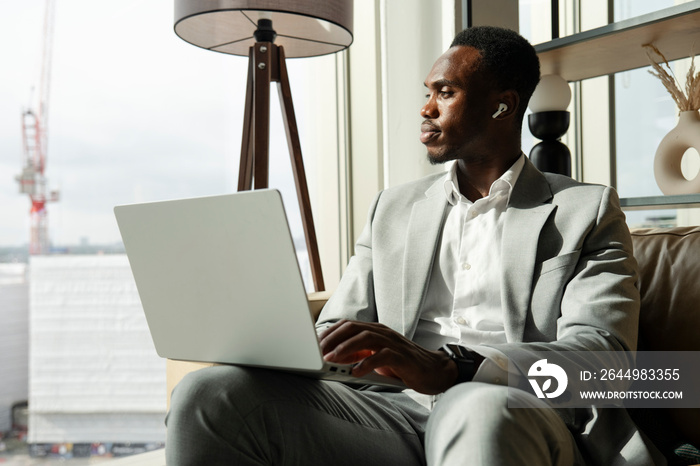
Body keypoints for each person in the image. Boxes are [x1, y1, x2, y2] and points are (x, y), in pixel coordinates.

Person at [166, 26, 663, 465]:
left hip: (512, 409)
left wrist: (455, 367)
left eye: (445, 92)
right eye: (427, 92)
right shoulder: (393, 209)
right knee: (207, 394)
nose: (425, 108)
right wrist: (282, 345)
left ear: (502, 105)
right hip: (390, 414)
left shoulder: (586, 210)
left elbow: (606, 360)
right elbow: (339, 329)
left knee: (475, 406)